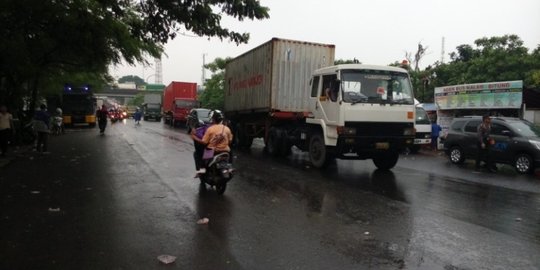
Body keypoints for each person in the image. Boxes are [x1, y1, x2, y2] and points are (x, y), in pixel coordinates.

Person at [191, 110, 233, 175]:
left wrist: (194, 137)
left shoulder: (210, 129)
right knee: (230, 155)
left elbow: (204, 142)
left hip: (212, 151)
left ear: (213, 119)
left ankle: (201, 173)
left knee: (203, 162)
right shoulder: (227, 128)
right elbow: (230, 141)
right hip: (225, 151)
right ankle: (229, 167)